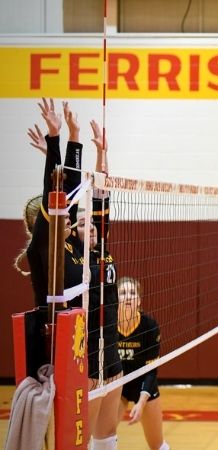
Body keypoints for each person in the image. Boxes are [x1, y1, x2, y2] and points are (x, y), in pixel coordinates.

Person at [21, 99, 123, 449]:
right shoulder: (44, 248)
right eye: (59, 212)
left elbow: (78, 190)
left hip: (97, 341)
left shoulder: (81, 246)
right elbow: (59, 191)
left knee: (106, 434)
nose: (66, 213)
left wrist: (76, 137)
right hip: (66, 349)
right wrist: (54, 139)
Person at [116, 277, 170, 450]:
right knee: (102, 437)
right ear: (115, 299)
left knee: (157, 445)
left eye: (132, 293)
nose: (128, 297)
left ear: (139, 300)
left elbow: (151, 370)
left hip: (144, 385)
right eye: (123, 293)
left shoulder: (149, 326)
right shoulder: (108, 328)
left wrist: (141, 403)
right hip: (117, 386)